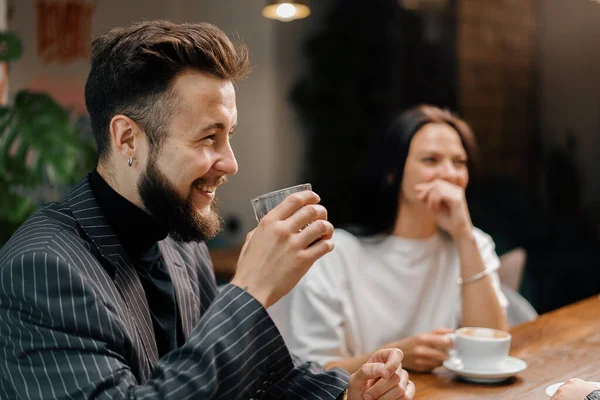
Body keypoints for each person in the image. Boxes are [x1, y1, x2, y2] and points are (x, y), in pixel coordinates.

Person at [0, 20, 415, 399]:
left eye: (228, 135)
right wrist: (250, 289)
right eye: (208, 138)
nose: (231, 163)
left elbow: (238, 377)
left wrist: (345, 394)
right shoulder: (42, 267)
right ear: (128, 138)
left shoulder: (180, 238)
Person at [269, 105, 509, 374]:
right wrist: (396, 356)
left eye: (459, 162)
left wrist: (464, 234)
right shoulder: (334, 255)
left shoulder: (473, 243)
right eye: (431, 160)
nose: (450, 174)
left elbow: (492, 349)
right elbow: (312, 373)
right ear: (392, 172)